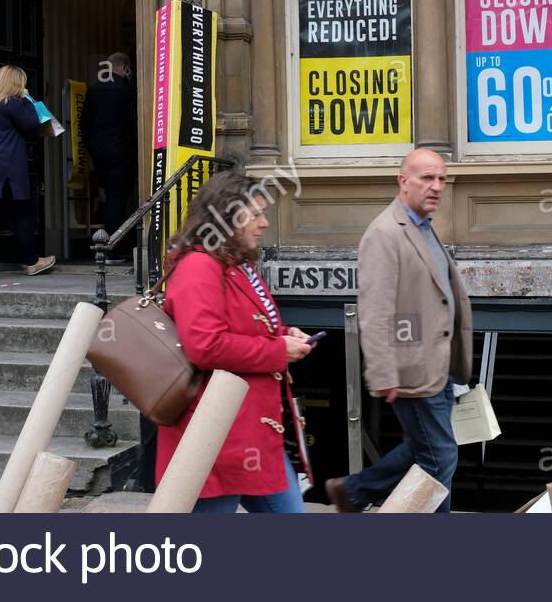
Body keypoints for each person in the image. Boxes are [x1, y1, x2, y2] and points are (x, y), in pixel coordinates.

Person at [156, 171, 314, 512]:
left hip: (249, 433)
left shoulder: (233, 264)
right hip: (217, 438)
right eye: (255, 214)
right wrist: (278, 350)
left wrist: (285, 334)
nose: (265, 222)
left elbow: (243, 325)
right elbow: (205, 346)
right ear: (227, 218)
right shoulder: (199, 266)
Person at [326, 148, 473, 513]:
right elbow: (375, 310)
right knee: (439, 457)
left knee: (428, 452)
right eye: (427, 178)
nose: (437, 186)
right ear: (403, 181)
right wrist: (383, 372)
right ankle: (356, 490)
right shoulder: (385, 233)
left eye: (441, 178)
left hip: (438, 366)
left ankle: (352, 491)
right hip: (411, 367)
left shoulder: (423, 227)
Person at [0, 65, 56, 282]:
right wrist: (27, 99)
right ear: (17, 83)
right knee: (22, 216)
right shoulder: (13, 103)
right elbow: (33, 123)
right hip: (7, 169)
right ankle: (32, 263)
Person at [81, 51, 139, 263]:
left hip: (99, 154)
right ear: (124, 68)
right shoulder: (126, 91)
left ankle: (109, 246)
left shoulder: (94, 89)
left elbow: (84, 125)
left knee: (109, 199)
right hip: (121, 153)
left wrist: (91, 148)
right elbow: (134, 124)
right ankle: (110, 249)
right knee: (117, 200)